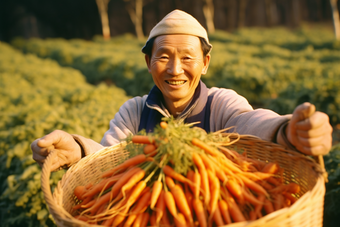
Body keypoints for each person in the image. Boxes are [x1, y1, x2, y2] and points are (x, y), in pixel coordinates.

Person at [31, 9, 333, 172]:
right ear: (149, 62)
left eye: (187, 58)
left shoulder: (220, 103)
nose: (175, 70)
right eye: (163, 57)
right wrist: (78, 149)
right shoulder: (135, 112)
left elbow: (250, 121)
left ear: (205, 63)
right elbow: (111, 157)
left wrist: (287, 130)